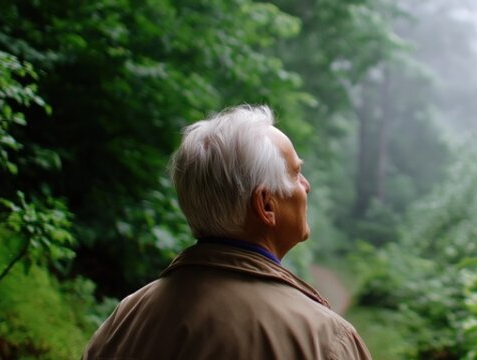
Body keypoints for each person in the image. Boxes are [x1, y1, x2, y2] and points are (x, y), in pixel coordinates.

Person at [83, 105, 371, 359]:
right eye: (296, 174)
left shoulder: (125, 320)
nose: (306, 185)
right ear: (266, 205)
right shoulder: (325, 339)